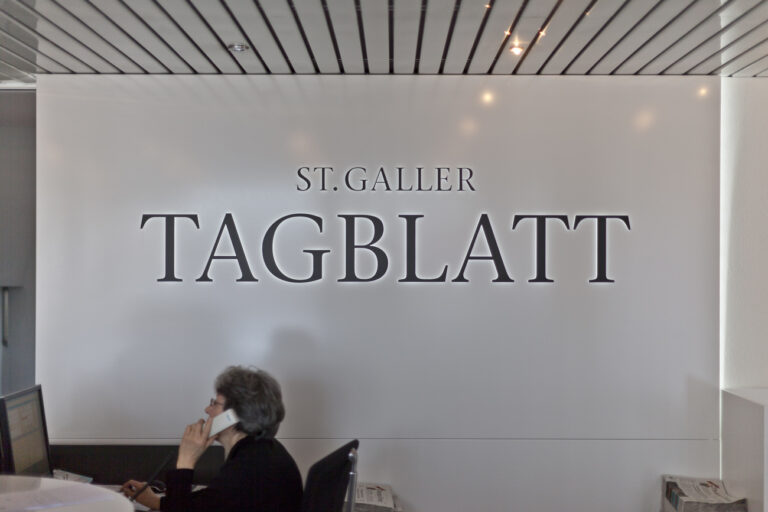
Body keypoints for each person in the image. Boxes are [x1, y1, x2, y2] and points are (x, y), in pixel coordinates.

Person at [122, 366, 303, 512]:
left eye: (215, 404)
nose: (207, 410)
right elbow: (210, 501)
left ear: (233, 416)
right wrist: (157, 502)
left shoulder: (247, 470)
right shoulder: (264, 451)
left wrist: (186, 460)